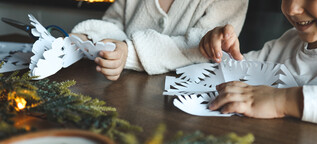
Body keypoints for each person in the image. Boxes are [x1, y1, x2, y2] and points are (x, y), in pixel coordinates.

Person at [199, 0, 317, 131]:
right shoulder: (289, 41)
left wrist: (281, 100)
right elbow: (239, 73)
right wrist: (222, 51)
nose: (291, 9)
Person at [71, 0, 248, 81]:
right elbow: (112, 23)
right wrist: (91, 38)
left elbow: (197, 51)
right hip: (120, 94)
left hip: (183, 106)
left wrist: (129, 53)